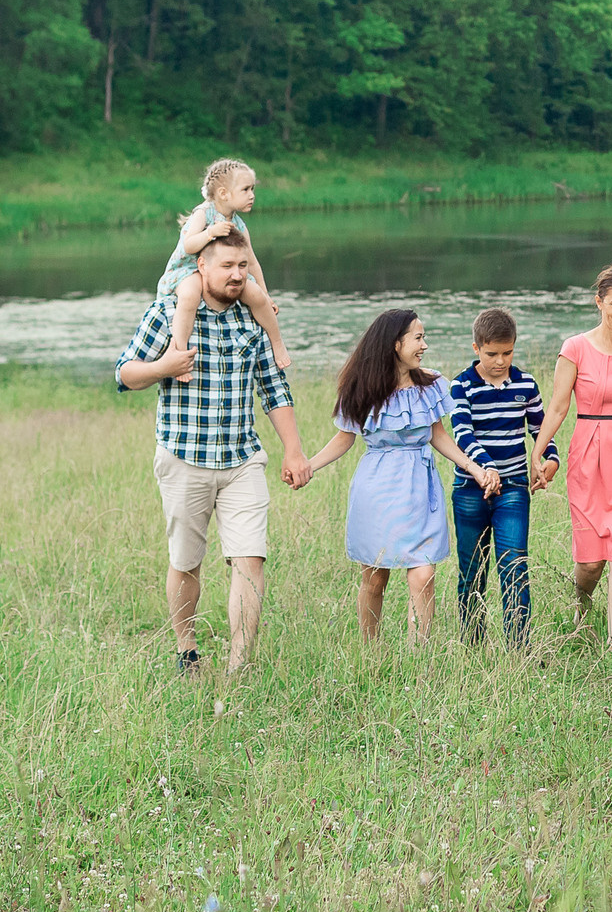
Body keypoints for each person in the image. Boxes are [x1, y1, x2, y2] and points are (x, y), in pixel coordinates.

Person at [115, 228, 311, 675]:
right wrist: (164, 366)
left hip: (242, 460)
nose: (237, 275)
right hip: (185, 458)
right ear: (200, 266)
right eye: (227, 266)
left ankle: (240, 663)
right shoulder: (170, 312)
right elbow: (124, 373)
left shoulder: (252, 320)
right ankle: (187, 651)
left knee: (251, 557)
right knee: (186, 561)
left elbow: (275, 390)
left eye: (243, 266)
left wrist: (294, 451)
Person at [303, 309, 493, 642]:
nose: (425, 345)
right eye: (418, 338)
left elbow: (439, 435)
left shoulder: (430, 384)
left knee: (424, 575)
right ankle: (370, 651)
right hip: (376, 490)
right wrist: (309, 465)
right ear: (395, 344)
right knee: (375, 578)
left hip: (420, 489)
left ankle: (420, 657)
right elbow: (344, 438)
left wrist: (473, 468)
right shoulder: (362, 387)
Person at [530, 265, 612, 648]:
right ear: (598, 302)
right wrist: (537, 452)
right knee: (591, 559)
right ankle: (582, 604)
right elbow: (556, 408)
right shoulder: (575, 348)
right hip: (588, 452)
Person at [447, 307, 558, 647]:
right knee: (472, 572)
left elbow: (541, 429)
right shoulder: (461, 385)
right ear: (476, 348)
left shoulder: (525, 384)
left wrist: (550, 459)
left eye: (507, 353)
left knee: (514, 567)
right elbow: (462, 434)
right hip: (470, 489)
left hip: (512, 489)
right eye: (492, 354)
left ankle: (518, 647)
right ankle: (473, 644)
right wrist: (485, 468)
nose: (500, 361)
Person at [158, 157, 292, 374]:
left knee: (256, 295)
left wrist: (266, 294)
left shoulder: (239, 224)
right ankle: (179, 354)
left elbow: (253, 262)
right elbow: (189, 245)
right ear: (223, 194)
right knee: (190, 295)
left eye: (253, 189)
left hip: (227, 273)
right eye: (246, 189)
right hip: (190, 268)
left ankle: (277, 343)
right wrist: (210, 232)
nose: (252, 195)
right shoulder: (204, 213)